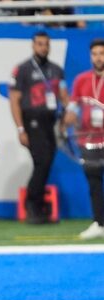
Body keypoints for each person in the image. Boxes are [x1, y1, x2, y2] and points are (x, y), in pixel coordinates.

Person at [9, 31, 68, 224]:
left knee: (46, 162)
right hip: (32, 121)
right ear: (33, 46)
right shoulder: (23, 69)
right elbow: (14, 100)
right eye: (40, 44)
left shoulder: (56, 70)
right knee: (42, 162)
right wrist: (20, 129)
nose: (43, 47)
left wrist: (67, 115)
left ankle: (39, 207)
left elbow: (63, 95)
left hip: (50, 121)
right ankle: (32, 205)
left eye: (46, 44)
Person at [64, 39, 104, 239]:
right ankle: (99, 223)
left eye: (101, 53)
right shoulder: (81, 80)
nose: (98, 57)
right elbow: (73, 105)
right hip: (87, 140)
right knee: (94, 183)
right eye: (95, 54)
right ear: (90, 57)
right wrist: (69, 116)